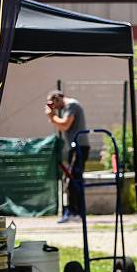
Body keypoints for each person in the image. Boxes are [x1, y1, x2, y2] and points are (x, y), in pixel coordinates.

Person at [45, 90, 88, 224]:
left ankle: (75, 212)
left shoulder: (71, 105)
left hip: (79, 147)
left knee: (72, 180)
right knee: (72, 180)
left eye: (53, 103)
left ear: (58, 98)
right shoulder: (66, 108)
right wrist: (53, 116)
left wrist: (52, 116)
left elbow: (65, 125)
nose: (54, 107)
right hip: (75, 147)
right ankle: (76, 212)